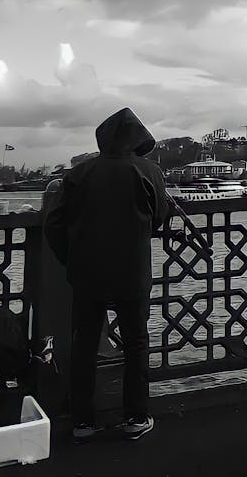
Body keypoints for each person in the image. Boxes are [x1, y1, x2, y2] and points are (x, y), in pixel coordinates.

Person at [44, 107, 168, 443]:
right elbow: (158, 217)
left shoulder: (79, 174)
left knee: (83, 344)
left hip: (87, 272)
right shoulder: (150, 171)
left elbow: (53, 223)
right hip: (132, 270)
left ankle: (83, 421)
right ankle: (136, 416)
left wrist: (71, 259)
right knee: (136, 342)